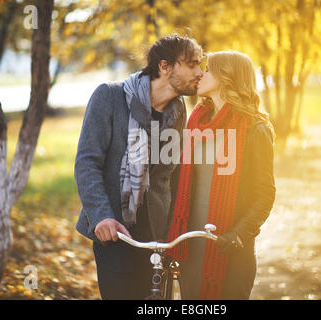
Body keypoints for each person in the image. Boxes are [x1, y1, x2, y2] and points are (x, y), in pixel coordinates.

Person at [74, 35, 203, 300]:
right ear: (165, 66)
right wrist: (101, 216)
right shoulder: (109, 96)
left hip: (158, 237)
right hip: (115, 232)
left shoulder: (178, 109)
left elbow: (173, 173)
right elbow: (87, 162)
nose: (200, 72)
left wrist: (176, 227)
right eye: (192, 64)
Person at [166, 51, 276, 300]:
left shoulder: (255, 129)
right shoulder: (195, 123)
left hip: (229, 248)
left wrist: (237, 234)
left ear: (227, 77)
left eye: (209, 69)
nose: (201, 74)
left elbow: (265, 194)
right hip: (190, 244)